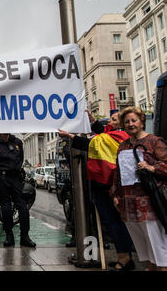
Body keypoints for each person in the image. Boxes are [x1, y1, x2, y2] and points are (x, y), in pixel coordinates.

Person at [59, 109, 135, 270]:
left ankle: (125, 258)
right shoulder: (109, 135)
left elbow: (94, 143)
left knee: (116, 223)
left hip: (111, 186)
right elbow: (101, 136)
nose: (110, 121)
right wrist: (93, 120)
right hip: (104, 185)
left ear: (120, 124)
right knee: (113, 223)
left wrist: (70, 136)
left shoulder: (119, 137)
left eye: (114, 119)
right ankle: (124, 256)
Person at [111, 106, 167, 271]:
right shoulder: (123, 146)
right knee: (144, 247)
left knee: (158, 245)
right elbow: (118, 173)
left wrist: (151, 167)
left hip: (150, 203)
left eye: (133, 120)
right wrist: (115, 194)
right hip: (129, 203)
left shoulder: (155, 141)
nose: (130, 124)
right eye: (127, 121)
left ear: (141, 122)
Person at [0, 133, 36, 247]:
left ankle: (25, 236)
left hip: (16, 178)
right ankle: (9, 236)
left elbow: (20, 159)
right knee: (6, 208)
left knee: (23, 207)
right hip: (2, 178)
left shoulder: (17, 142)